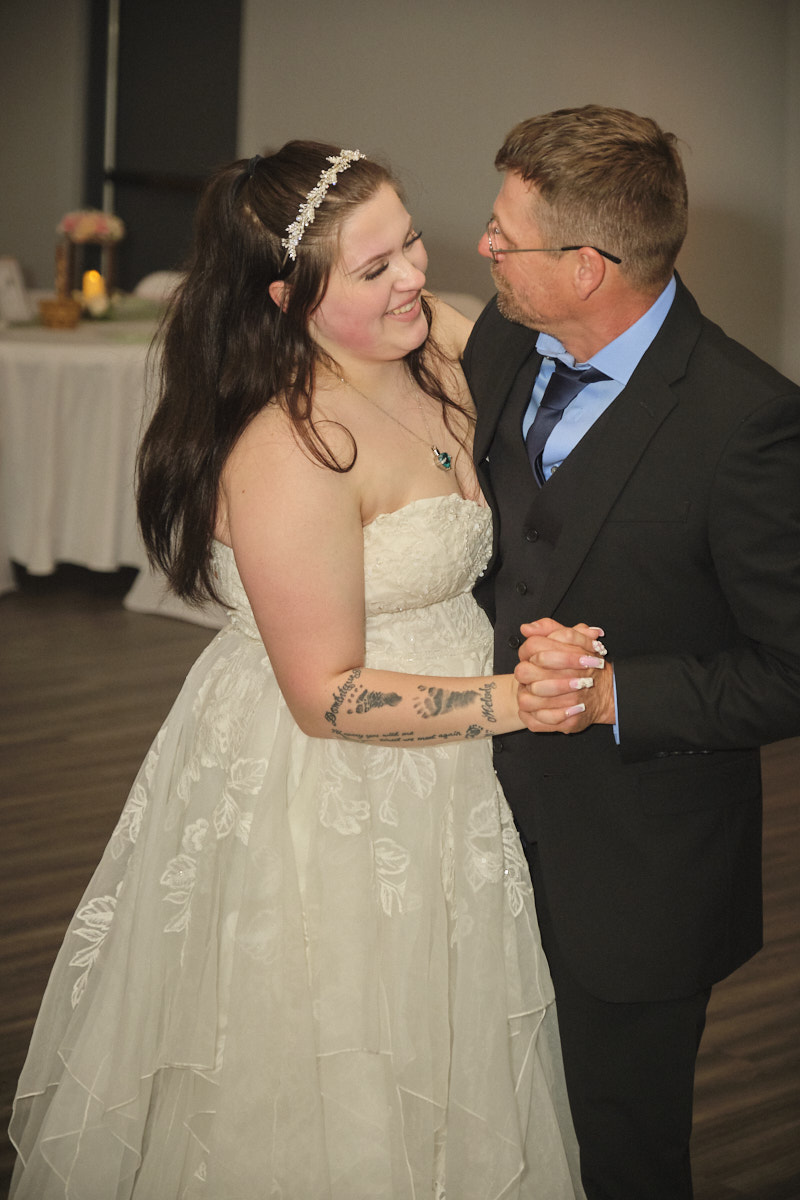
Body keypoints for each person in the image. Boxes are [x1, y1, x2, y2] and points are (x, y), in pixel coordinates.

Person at [9, 142, 590, 1199]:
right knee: (334, 1069)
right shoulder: (292, 445)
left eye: (408, 241)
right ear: (287, 299)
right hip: (332, 789)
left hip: (450, 777)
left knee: (444, 1050)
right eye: (373, 269)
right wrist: (513, 700)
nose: (413, 275)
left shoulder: (432, 343)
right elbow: (326, 698)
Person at [462, 104, 800, 1199]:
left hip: (633, 874)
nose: (484, 245)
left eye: (507, 235)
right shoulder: (498, 342)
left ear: (588, 266)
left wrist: (614, 695)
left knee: (621, 1149)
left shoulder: (749, 423)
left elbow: (790, 669)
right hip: (462, 832)